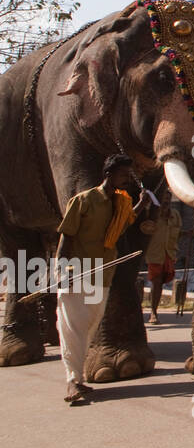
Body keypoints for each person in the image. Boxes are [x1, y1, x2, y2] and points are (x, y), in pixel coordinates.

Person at [53, 153, 147, 405]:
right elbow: (66, 238)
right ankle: (72, 381)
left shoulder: (121, 203)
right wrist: (61, 272)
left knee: (90, 326)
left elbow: (125, 223)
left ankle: (78, 377)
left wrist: (142, 203)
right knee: (72, 329)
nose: (127, 179)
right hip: (76, 274)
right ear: (109, 174)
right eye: (123, 175)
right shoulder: (83, 200)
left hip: (103, 274)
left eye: (129, 175)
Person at [143, 193, 181, 324]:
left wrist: (190, 234)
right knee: (156, 281)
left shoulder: (175, 215)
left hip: (169, 253)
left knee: (162, 281)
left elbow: (177, 233)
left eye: (168, 200)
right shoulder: (152, 215)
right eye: (163, 200)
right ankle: (153, 312)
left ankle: (154, 309)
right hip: (154, 253)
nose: (166, 202)